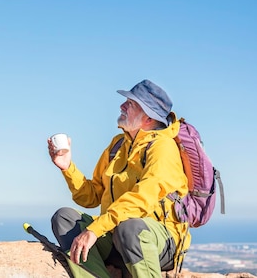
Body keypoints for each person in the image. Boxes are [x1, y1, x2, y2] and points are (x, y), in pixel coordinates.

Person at [48, 79, 190, 277]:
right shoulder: (117, 145)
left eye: (130, 104)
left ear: (148, 118)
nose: (121, 106)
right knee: (64, 218)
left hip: (156, 243)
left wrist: (95, 230)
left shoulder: (163, 148)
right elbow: (90, 197)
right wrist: (67, 167)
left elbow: (142, 198)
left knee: (130, 227)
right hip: (117, 237)